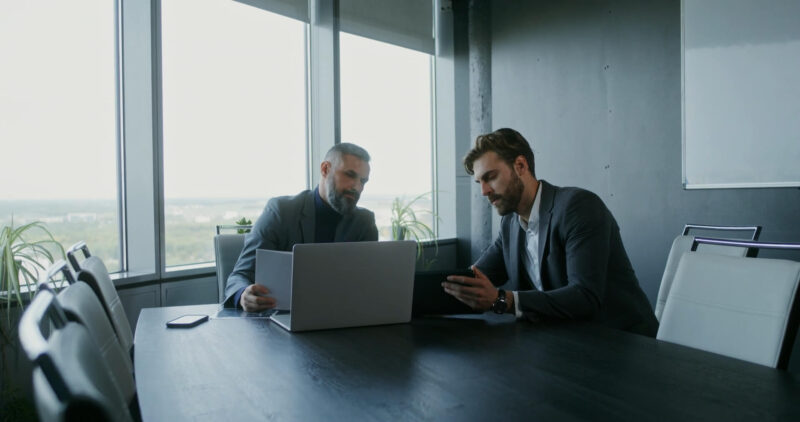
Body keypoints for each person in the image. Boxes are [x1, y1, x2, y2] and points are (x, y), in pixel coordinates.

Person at [443, 128, 658, 336]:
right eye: (480, 182)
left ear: (520, 165)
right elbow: (473, 278)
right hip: (566, 342)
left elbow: (584, 296)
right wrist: (422, 295)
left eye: (490, 177)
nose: (484, 191)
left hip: (622, 343)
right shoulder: (510, 224)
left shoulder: (578, 207)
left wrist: (503, 300)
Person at [223, 143, 378, 311]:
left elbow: (366, 283)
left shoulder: (364, 221)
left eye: (363, 181)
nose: (357, 187)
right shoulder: (281, 211)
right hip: (283, 316)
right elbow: (240, 275)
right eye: (349, 175)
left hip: (340, 317)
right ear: (325, 169)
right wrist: (242, 295)